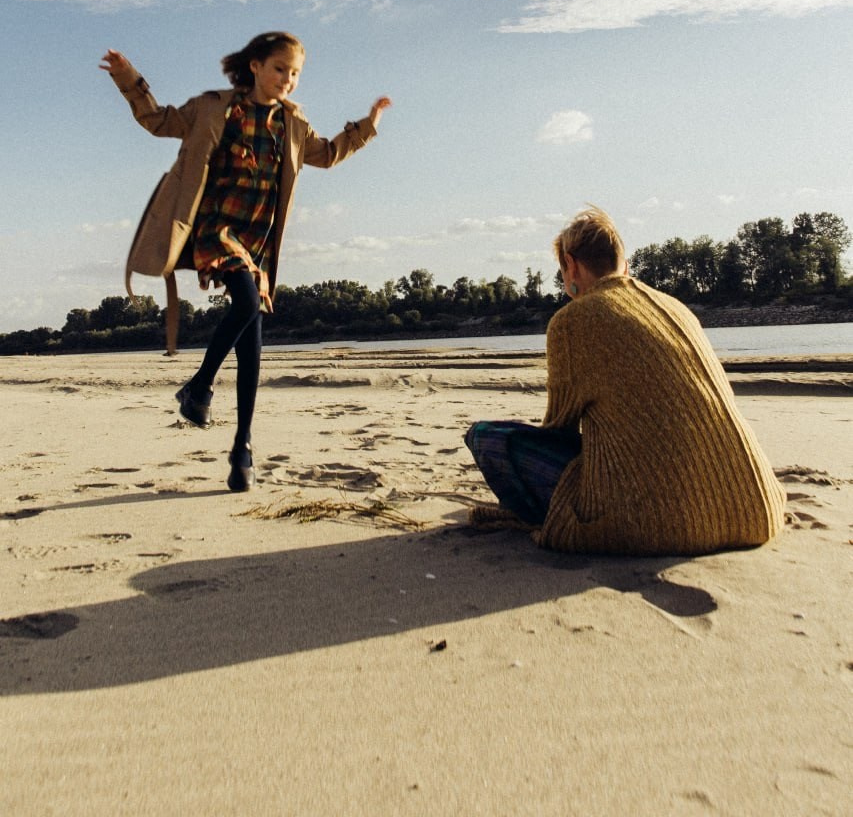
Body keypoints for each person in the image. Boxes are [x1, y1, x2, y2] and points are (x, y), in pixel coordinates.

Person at [101, 31, 391, 493]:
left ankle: (241, 449)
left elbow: (329, 154)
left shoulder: (293, 126)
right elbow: (158, 121)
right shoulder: (213, 108)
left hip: (258, 244)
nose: (287, 80)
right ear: (255, 66)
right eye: (280, 69)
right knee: (246, 306)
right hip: (216, 229)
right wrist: (128, 80)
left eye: (295, 74)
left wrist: (368, 124)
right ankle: (199, 386)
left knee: (252, 344)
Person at [465, 206, 785, 555]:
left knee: (486, 437)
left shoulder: (573, 320)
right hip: (755, 509)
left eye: (563, 273)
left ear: (571, 265)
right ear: (624, 262)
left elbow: (558, 430)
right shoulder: (676, 307)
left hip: (663, 524)